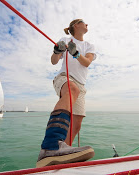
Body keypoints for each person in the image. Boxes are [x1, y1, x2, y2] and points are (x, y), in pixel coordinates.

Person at [36, 19, 96, 168]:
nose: (87, 25)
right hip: (65, 78)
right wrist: (57, 52)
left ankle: (59, 157)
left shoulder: (89, 46)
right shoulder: (64, 40)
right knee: (72, 89)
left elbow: (87, 62)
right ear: (76, 25)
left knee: (77, 124)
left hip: (81, 85)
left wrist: (75, 53)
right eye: (84, 22)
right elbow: (54, 61)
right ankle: (50, 144)